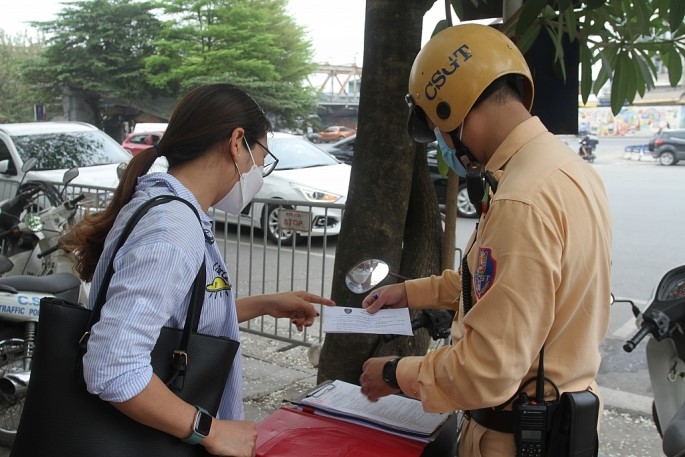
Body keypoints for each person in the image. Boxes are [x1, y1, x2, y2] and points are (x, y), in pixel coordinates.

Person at [358, 24, 612, 456]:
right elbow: (495, 286)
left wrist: (394, 373)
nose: (440, 139)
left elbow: (488, 370)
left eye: (436, 126)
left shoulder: (520, 200)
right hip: (561, 423)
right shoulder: (568, 170)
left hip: (514, 436)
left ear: (449, 109)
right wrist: (410, 292)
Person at [62, 83, 335, 457]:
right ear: (237, 142)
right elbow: (113, 366)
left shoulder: (169, 208)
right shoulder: (172, 229)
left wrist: (264, 304)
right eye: (262, 155)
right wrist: (210, 430)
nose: (261, 171)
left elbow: (175, 323)